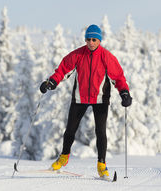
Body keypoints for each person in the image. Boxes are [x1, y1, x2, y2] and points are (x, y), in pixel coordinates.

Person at [40, 24, 132, 177]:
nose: (90, 42)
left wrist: (124, 93)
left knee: (100, 131)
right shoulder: (77, 54)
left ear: (99, 40)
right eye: (88, 39)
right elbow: (62, 69)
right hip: (79, 98)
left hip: (100, 99)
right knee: (70, 129)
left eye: (94, 39)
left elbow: (118, 77)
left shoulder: (107, 57)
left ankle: (101, 164)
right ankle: (63, 157)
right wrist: (52, 82)